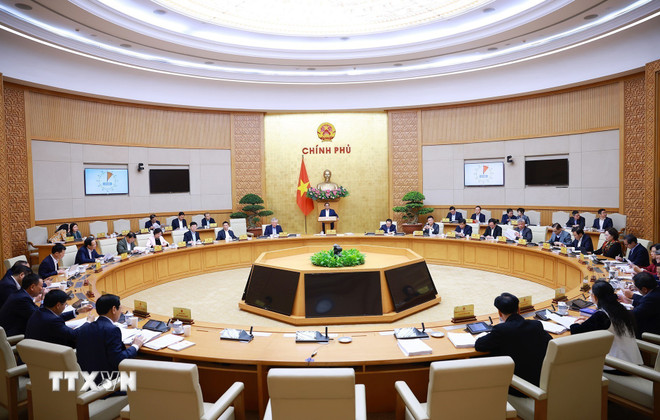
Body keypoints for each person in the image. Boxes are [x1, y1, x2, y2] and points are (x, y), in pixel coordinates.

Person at [475, 293, 551, 397]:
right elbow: (549, 341)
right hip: (540, 382)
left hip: (518, 388)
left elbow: (479, 345)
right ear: (519, 310)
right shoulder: (536, 325)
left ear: (499, 313)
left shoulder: (501, 330)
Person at [570, 280, 642, 369]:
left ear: (595, 297)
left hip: (617, 365)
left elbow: (576, 331)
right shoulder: (621, 309)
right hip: (632, 360)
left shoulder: (602, 315)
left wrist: (576, 323)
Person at [76, 294, 145, 377]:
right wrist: (135, 346)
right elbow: (118, 360)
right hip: (107, 379)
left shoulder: (84, 327)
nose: (121, 311)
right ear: (114, 309)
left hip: (86, 377)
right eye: (120, 308)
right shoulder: (112, 330)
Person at [25, 289, 92, 347]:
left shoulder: (40, 310)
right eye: (65, 304)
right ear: (58, 305)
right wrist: (88, 322)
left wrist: (77, 311)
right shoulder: (53, 321)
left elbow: (56, 317)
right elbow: (74, 335)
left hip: (33, 348)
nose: (65, 306)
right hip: (50, 352)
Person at [622, 272, 660, 337]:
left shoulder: (651, 299)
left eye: (636, 288)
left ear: (644, 289)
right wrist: (631, 302)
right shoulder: (656, 289)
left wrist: (616, 308)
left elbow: (633, 314)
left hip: (651, 331)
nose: (635, 289)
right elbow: (646, 303)